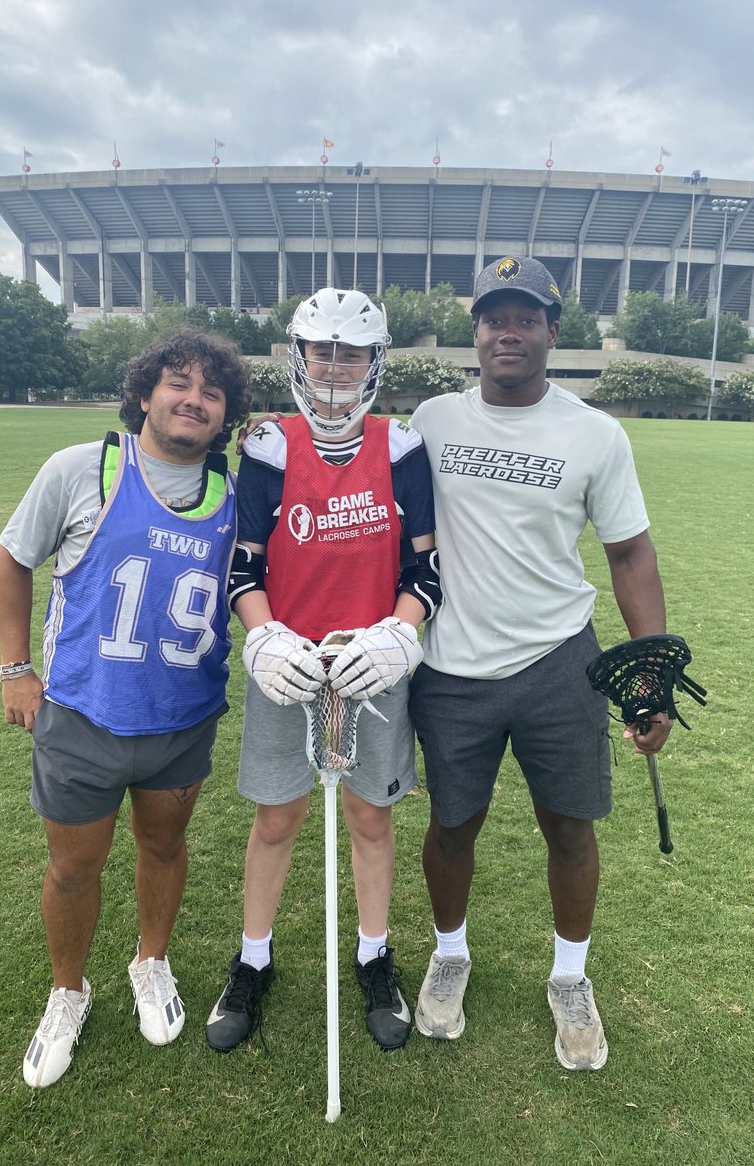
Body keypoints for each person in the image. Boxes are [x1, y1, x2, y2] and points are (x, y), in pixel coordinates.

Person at [407, 256, 674, 1071]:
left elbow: (629, 554)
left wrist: (651, 673)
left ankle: (569, 978)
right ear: (475, 334)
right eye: (494, 318)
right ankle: (450, 953)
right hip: (450, 667)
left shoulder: (596, 433)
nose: (508, 333)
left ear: (554, 333)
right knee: (453, 825)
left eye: (526, 318)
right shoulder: (432, 418)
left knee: (570, 825)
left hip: (559, 659)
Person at [0, 329, 250, 1088]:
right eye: (179, 382)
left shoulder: (236, 491)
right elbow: (12, 558)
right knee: (74, 870)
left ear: (225, 413)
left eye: (212, 391)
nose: (192, 399)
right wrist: (15, 668)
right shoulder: (81, 468)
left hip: (182, 716)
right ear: (145, 391)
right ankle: (68, 990)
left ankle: (151, 961)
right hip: (84, 713)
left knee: (164, 848)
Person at [205, 288, 439, 1054]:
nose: (335, 366)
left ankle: (374, 956)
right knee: (277, 818)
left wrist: (401, 639)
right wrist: (264, 637)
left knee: (372, 818)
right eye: (322, 350)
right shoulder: (267, 446)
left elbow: (424, 569)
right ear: (300, 355)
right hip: (290, 664)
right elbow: (243, 568)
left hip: (372, 664)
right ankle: (253, 959)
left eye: (353, 352)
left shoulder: (401, 447)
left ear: (375, 363)